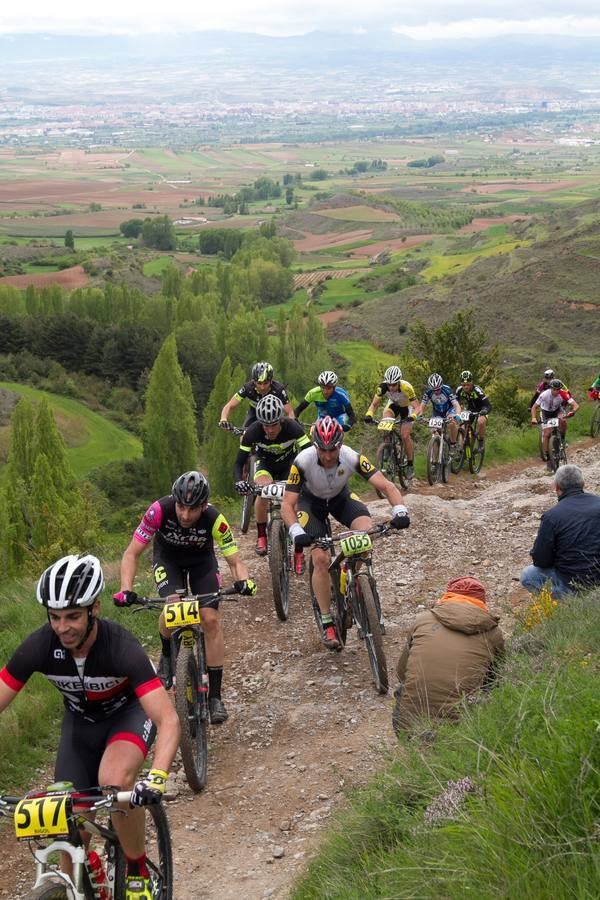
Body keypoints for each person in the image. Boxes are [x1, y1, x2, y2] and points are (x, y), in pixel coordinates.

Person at [0, 554, 180, 900]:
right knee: (65, 826)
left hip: (126, 718)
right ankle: (79, 882)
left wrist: (156, 776)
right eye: (54, 617)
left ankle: (138, 869)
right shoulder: (40, 645)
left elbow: (167, 718)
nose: (62, 627)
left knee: (114, 784)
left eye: (72, 617)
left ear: (94, 609)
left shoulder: (121, 647)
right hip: (79, 729)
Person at [114, 470, 256, 725]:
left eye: (193, 509)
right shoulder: (158, 511)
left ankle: (215, 696)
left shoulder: (215, 519)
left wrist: (244, 581)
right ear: (174, 501)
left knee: (210, 619)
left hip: (202, 563)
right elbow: (131, 553)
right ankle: (167, 654)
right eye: (181, 507)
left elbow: (234, 560)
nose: (185, 515)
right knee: (172, 609)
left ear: (204, 505)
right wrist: (126, 589)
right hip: (168, 561)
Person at [281, 416, 410, 650]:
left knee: (365, 537)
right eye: (323, 450)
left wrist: (400, 510)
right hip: (311, 506)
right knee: (320, 558)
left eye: (333, 449)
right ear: (315, 446)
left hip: (341, 499)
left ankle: (356, 584)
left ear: (340, 445)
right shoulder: (302, 461)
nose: (328, 456)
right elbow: (287, 505)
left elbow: (387, 486)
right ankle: (327, 620)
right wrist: (295, 530)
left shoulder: (352, 457)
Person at [392, 576, 504, 735]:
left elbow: (401, 673)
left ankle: (410, 746)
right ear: (481, 603)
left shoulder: (422, 620)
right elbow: (496, 680)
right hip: (460, 733)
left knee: (402, 690)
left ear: (447, 597)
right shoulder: (493, 633)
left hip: (409, 726)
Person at [233, 394, 310, 560]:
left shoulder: (293, 428)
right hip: (265, 464)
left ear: (281, 420)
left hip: (289, 464)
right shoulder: (253, 431)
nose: (270, 429)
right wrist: (239, 481)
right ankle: (261, 536)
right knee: (263, 493)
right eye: (265, 425)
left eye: (274, 424)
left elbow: (309, 453)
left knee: (293, 500)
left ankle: (298, 548)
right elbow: (239, 463)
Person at [520, 464, 600, 599]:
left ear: (556, 487)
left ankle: (565, 603)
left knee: (528, 575)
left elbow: (540, 560)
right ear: (583, 484)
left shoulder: (552, 516)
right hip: (598, 578)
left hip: (570, 582)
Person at [364, 365, 420, 479]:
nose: (391, 387)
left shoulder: (406, 387)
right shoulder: (382, 387)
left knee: (405, 436)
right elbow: (374, 404)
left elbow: (417, 407)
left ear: (398, 382)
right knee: (385, 421)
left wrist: (413, 416)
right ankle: (388, 446)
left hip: (407, 409)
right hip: (393, 406)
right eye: (389, 384)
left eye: (394, 384)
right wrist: (369, 414)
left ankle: (410, 465)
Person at [219, 361, 294, 429]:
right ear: (254, 381)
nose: (262, 387)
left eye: (265, 383)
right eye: (259, 383)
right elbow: (230, 406)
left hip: (275, 414)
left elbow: (290, 412)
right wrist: (223, 419)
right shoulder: (248, 388)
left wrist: (292, 426)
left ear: (271, 381)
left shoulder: (279, 390)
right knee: (243, 437)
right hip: (254, 413)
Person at [531, 379, 579, 470]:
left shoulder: (563, 393)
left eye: (558, 389)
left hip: (557, 410)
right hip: (545, 412)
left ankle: (563, 439)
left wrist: (572, 412)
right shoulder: (544, 394)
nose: (556, 391)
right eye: (554, 389)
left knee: (563, 420)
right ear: (551, 388)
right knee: (547, 434)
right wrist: (533, 418)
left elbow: (576, 405)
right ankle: (548, 455)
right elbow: (534, 407)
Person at [420, 373, 462, 450]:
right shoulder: (428, 392)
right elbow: (423, 404)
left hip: (449, 410)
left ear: (441, 386)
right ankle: (435, 460)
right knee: (433, 431)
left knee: (451, 423)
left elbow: (456, 405)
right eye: (434, 390)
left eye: (438, 389)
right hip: (437, 412)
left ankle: (453, 444)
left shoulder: (447, 390)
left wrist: (458, 414)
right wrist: (420, 414)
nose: (436, 391)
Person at [455, 370, 492, 446]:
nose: (466, 387)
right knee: (462, 426)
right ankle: (461, 448)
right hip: (470, 409)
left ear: (472, 383)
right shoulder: (459, 390)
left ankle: (481, 441)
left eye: (468, 384)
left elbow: (488, 405)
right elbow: (455, 402)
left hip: (482, 409)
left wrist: (484, 411)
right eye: (464, 385)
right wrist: (458, 411)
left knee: (480, 422)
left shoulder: (477, 390)